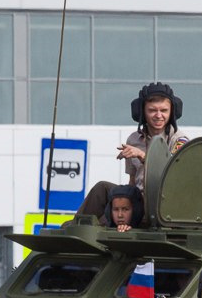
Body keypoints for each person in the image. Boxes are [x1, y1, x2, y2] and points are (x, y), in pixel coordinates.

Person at [76, 81, 190, 218]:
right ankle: (76, 227)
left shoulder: (179, 140)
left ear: (172, 112)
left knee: (108, 221)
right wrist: (123, 199)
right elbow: (132, 180)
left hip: (164, 203)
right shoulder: (134, 140)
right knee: (103, 189)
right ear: (142, 112)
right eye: (152, 110)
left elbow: (173, 174)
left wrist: (142, 156)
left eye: (164, 110)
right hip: (138, 200)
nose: (159, 115)